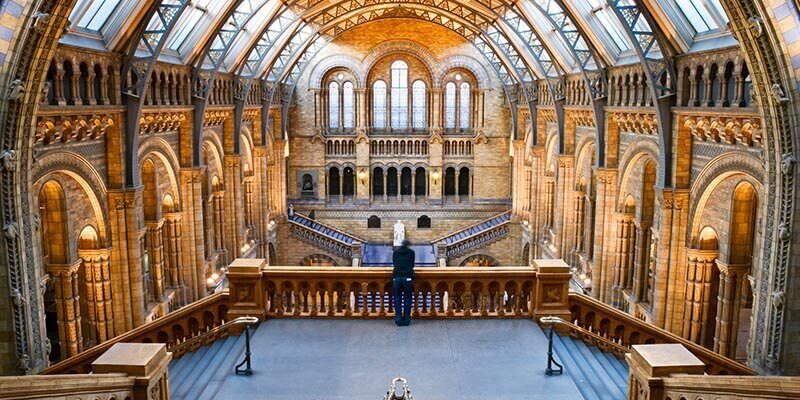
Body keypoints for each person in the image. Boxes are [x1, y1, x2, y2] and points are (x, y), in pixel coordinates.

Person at [392, 240, 415, 326]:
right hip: (407, 278)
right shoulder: (411, 252)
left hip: (397, 278)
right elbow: (412, 265)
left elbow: (394, 263)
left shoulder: (396, 252)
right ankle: (406, 320)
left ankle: (398, 319)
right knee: (407, 299)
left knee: (397, 299)